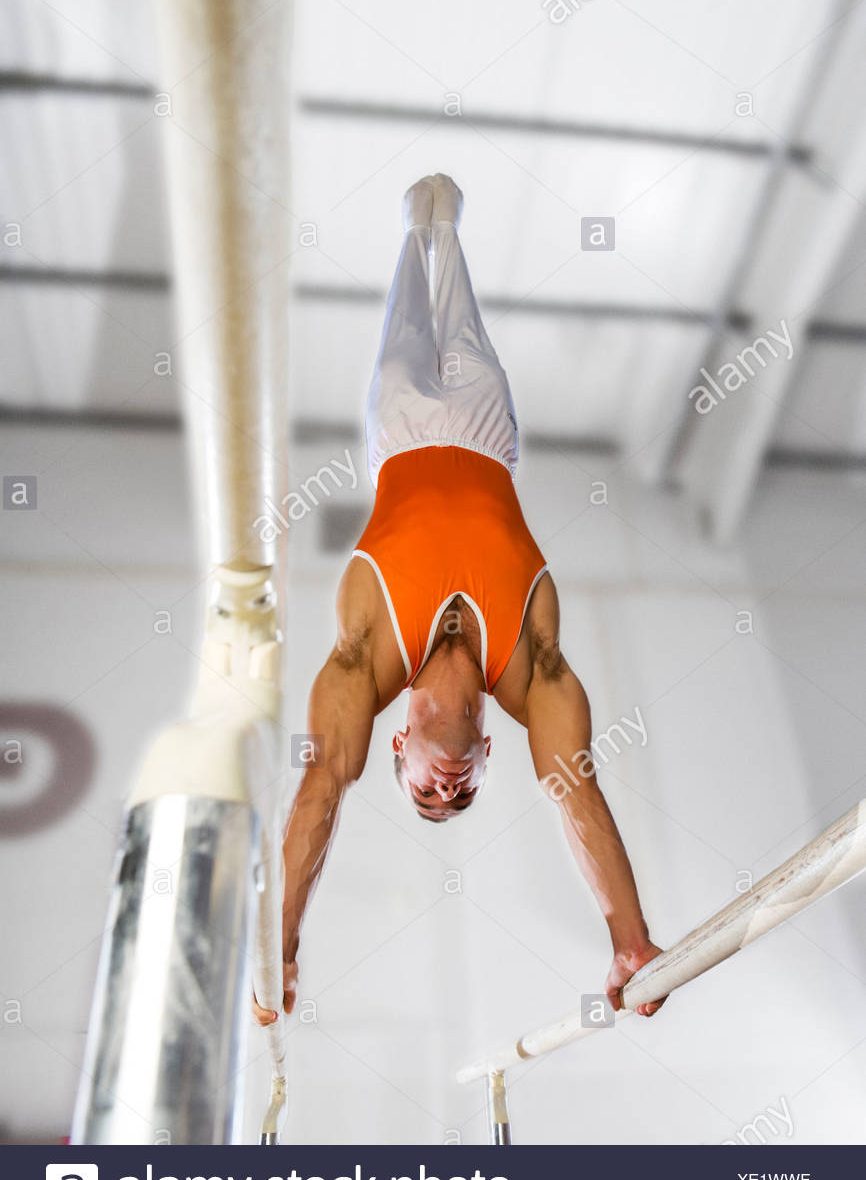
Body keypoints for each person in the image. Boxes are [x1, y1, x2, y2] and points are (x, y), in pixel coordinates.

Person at [253, 174, 665, 1027]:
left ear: (395, 742)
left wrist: (281, 941)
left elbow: (322, 785)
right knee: (460, 307)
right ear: (487, 758)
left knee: (405, 309)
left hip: (399, 432)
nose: (445, 789)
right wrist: (630, 939)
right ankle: (447, 233)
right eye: (462, 793)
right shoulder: (533, 669)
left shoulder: (366, 662)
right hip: (486, 434)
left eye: (425, 792)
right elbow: (576, 794)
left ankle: (418, 230)